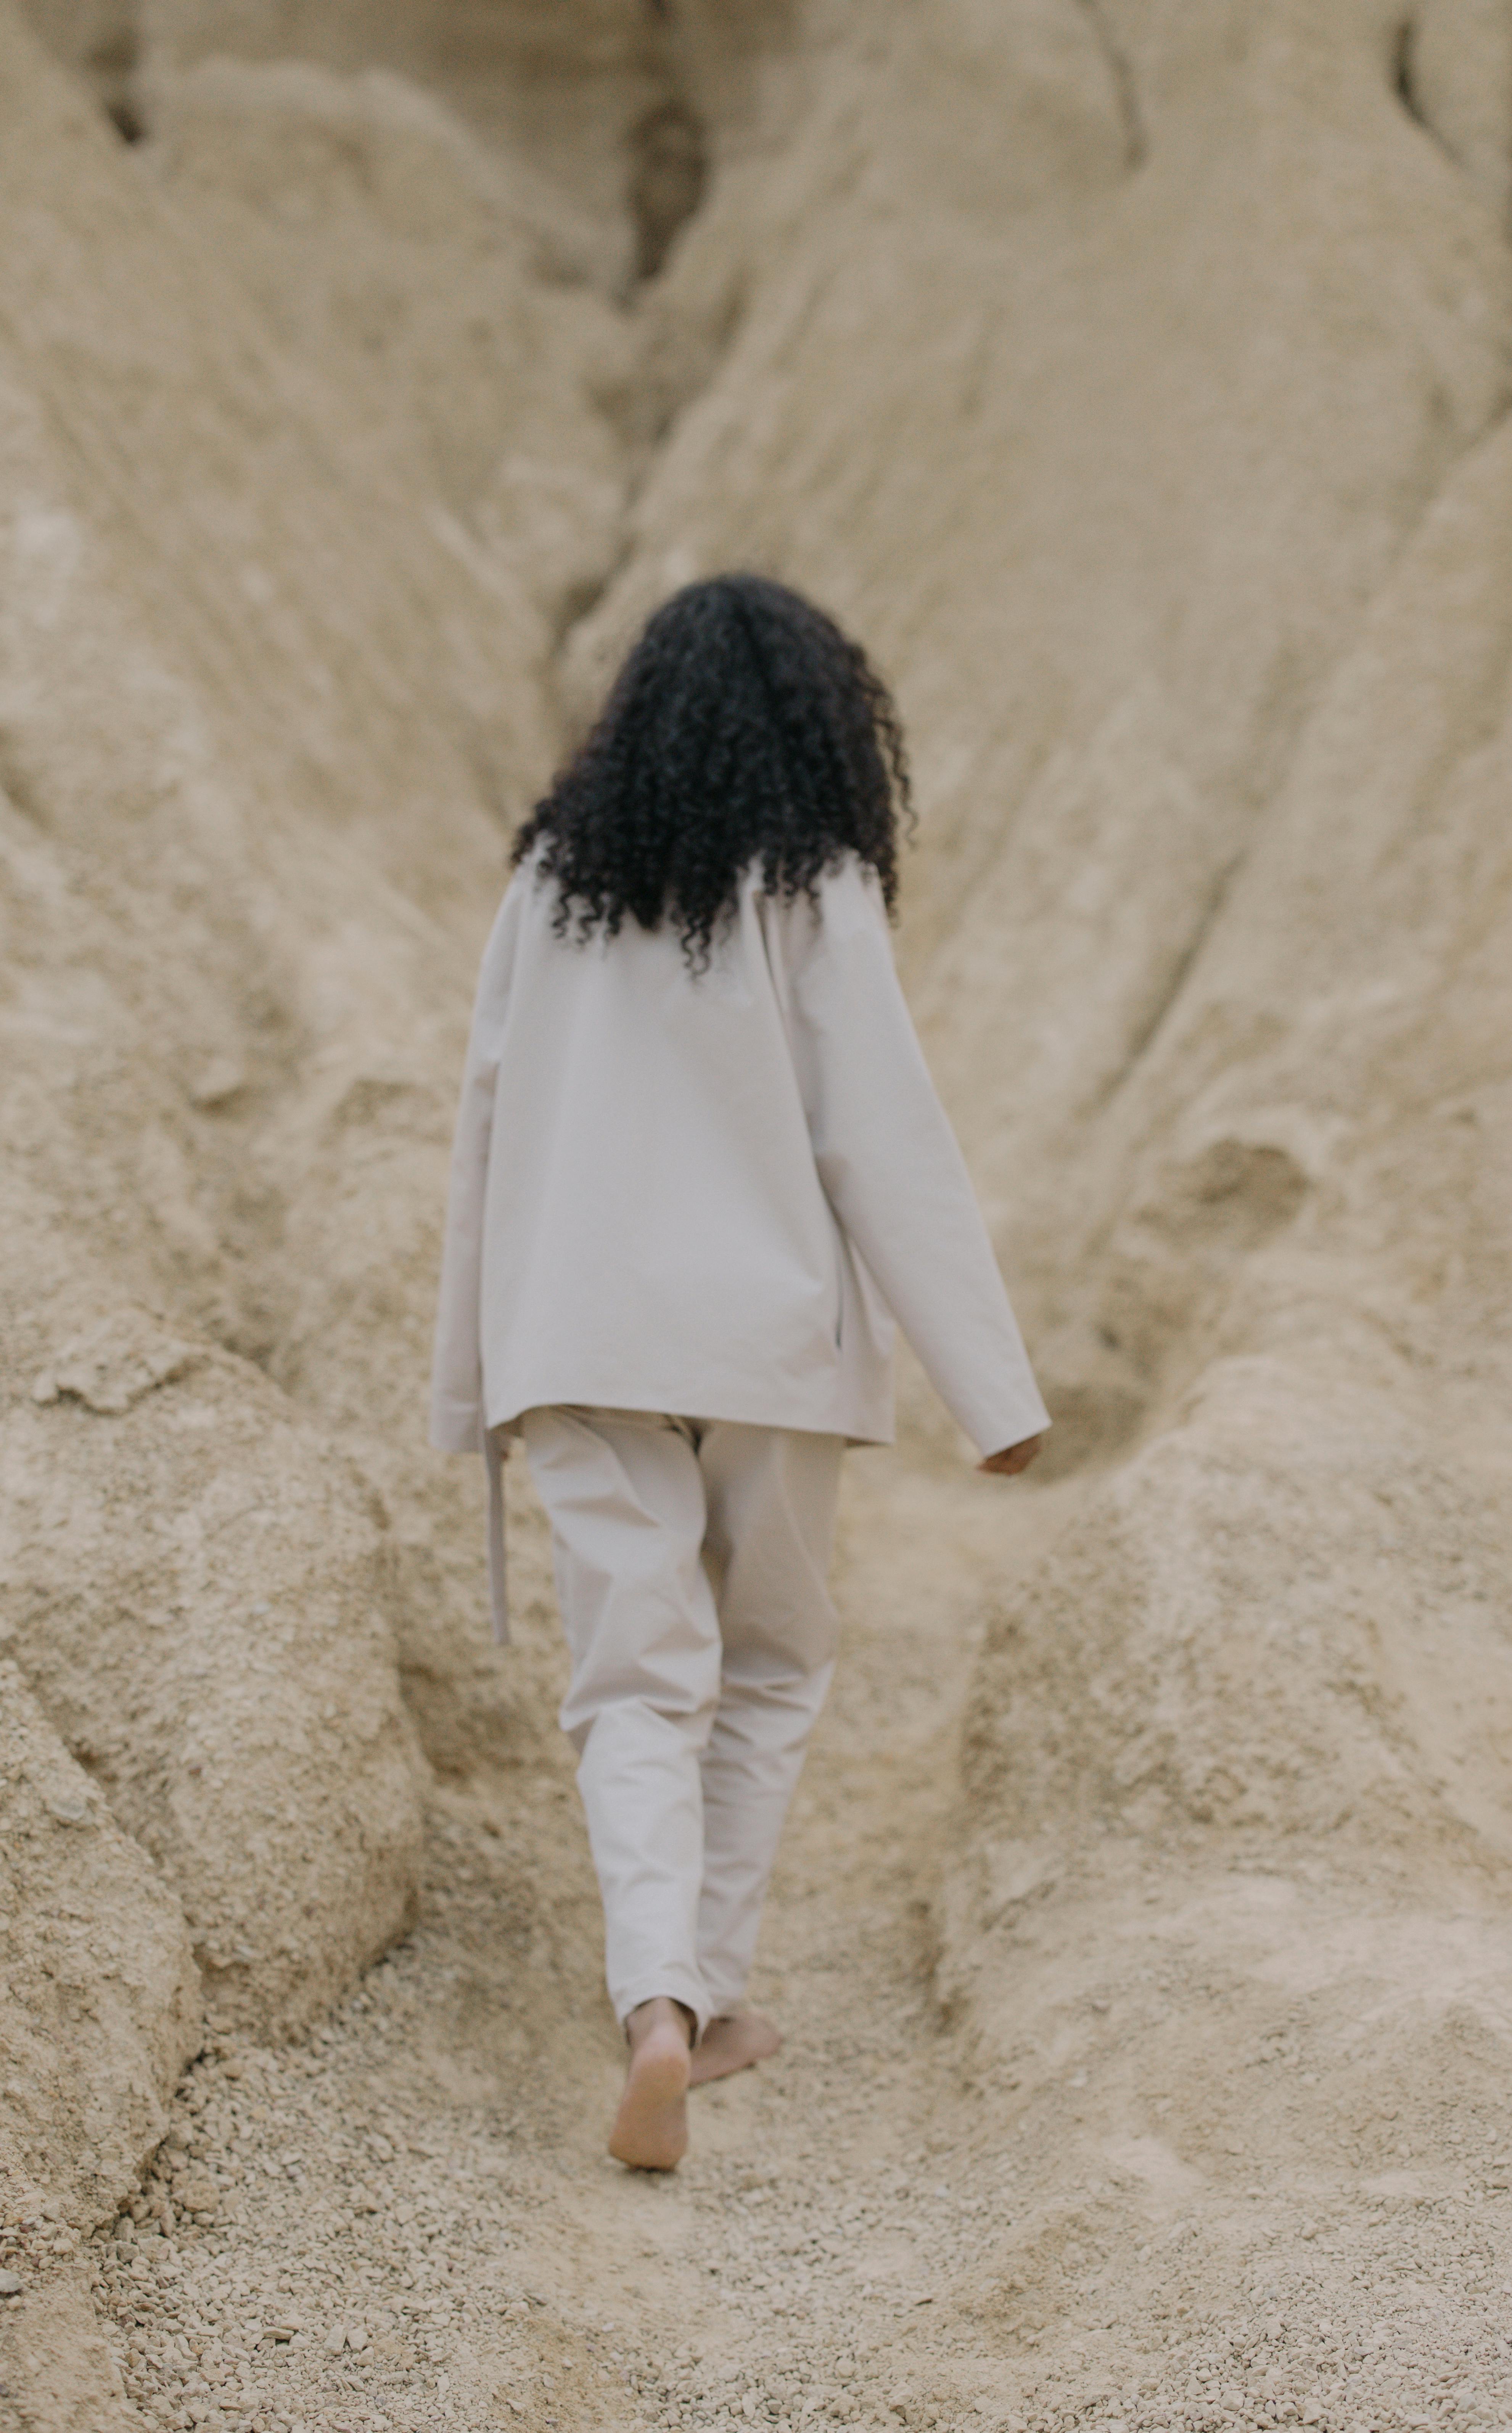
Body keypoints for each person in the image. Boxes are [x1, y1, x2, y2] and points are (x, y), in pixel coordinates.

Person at [429, 573, 1048, 2169]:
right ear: (820, 727)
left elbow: (482, 1126)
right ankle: (705, 2000)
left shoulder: (545, 888)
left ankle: (649, 2007)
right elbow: (880, 1135)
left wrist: (467, 1376)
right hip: (760, 1335)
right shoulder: (813, 881)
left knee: (630, 1677)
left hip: (572, 1328)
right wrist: (990, 1392)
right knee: (764, 1662)